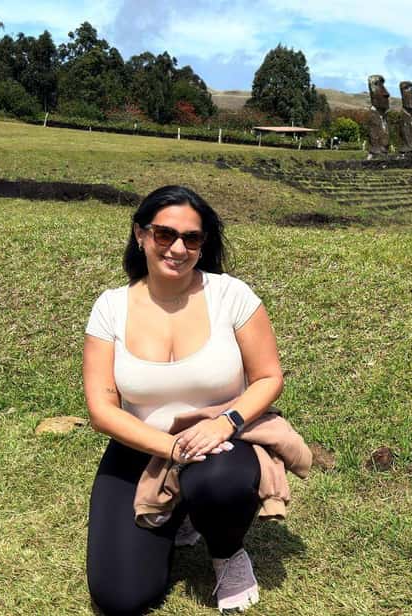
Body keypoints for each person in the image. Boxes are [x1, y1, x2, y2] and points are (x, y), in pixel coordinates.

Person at [83, 185, 284, 614]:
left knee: (217, 480)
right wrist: (172, 449)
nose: (177, 248)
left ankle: (226, 551)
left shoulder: (231, 295)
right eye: (164, 235)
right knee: (121, 598)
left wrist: (227, 421)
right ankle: (179, 514)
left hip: (222, 441)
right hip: (142, 446)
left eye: (191, 238)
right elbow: (102, 409)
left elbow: (268, 377)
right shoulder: (110, 307)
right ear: (140, 234)